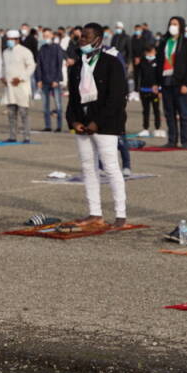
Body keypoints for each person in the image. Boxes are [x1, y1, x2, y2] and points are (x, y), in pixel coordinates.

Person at [66, 22, 128, 227]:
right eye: (80, 36)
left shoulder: (112, 63)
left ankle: (120, 214)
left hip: (106, 124)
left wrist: (96, 122)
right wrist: (73, 121)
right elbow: (73, 98)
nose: (81, 40)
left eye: (85, 37)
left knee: (111, 168)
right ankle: (95, 212)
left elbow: (116, 98)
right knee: (88, 168)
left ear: (98, 40)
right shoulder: (76, 66)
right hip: (82, 125)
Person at [158, 16, 187, 148]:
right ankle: (172, 140)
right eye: (171, 24)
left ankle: (185, 141)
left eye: (175, 24)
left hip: (180, 82)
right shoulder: (164, 42)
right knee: (169, 113)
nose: (172, 26)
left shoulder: (186, 43)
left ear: (181, 26)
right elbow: (158, 63)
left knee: (183, 114)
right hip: (166, 81)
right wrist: (157, 83)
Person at [1, 29, 36, 143]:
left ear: (17, 40)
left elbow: (31, 66)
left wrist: (20, 78)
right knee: (11, 113)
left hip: (21, 86)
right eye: (8, 39)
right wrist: (3, 77)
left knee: (23, 112)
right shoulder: (5, 52)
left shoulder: (25, 51)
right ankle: (12, 136)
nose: (9, 41)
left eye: (11, 39)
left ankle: (26, 136)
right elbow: (4, 67)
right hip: (10, 87)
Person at [36, 28, 65, 132]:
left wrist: (56, 80)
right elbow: (38, 65)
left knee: (58, 104)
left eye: (47, 35)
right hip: (44, 81)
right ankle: (48, 126)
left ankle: (59, 126)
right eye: (44, 36)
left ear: (52, 35)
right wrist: (38, 79)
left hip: (54, 81)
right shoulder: (42, 49)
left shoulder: (57, 48)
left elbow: (59, 64)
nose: (46, 37)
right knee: (45, 105)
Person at [137, 44, 163, 137]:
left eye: (152, 52)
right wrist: (138, 89)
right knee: (145, 110)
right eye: (148, 52)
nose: (151, 53)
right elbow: (138, 76)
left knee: (156, 110)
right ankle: (145, 128)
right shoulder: (142, 62)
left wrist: (160, 90)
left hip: (155, 91)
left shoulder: (158, 62)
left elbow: (160, 77)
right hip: (144, 90)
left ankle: (157, 128)